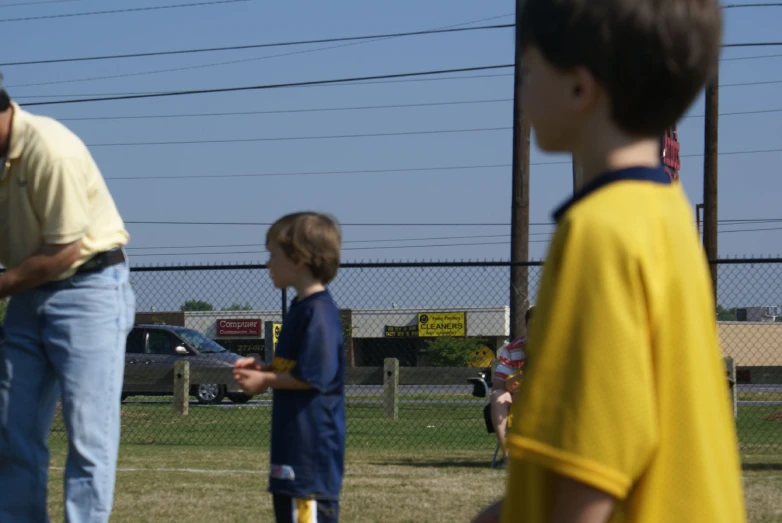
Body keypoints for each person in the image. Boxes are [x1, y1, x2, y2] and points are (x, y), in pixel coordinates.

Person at [472, 0, 747, 520]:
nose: (522, 88)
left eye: (529, 70)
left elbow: (590, 469)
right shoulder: (665, 215)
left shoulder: (598, 231)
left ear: (580, 87)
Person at [0, 78, 135, 522]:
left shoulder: (50, 149)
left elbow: (66, 251)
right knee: (10, 431)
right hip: (25, 294)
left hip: (88, 290)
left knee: (89, 438)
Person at [233, 212, 345, 523]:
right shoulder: (300, 308)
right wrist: (265, 368)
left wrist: (264, 381)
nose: (267, 264)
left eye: (273, 255)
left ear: (298, 259)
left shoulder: (320, 313)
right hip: (292, 454)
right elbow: (296, 367)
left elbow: (314, 376)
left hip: (310, 462)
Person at [490, 306, 534, 468]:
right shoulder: (512, 349)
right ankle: (508, 455)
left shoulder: (558, 348)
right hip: (515, 396)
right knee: (498, 396)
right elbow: (499, 383)